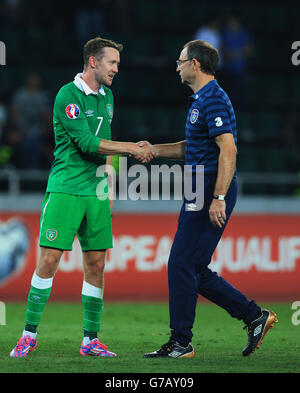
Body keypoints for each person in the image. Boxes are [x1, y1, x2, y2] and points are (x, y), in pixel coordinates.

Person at [10, 36, 154, 358]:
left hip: (96, 193)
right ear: (93, 61)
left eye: (117, 63)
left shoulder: (108, 97)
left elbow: (107, 143)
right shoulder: (67, 95)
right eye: (112, 62)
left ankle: (90, 340)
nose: (117, 68)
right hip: (66, 188)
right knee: (48, 261)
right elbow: (88, 144)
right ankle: (28, 335)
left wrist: (111, 187)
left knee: (97, 264)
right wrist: (132, 148)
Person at [142, 40, 277, 359]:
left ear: (195, 65)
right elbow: (196, 147)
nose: (177, 67)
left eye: (180, 61)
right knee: (192, 267)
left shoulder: (213, 99)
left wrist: (217, 196)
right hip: (198, 188)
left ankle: (181, 342)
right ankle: (253, 316)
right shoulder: (201, 101)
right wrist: (155, 150)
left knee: (180, 264)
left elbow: (228, 149)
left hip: (208, 189)